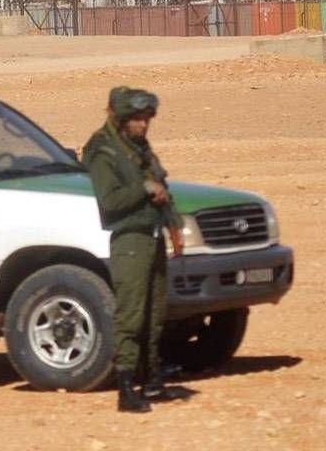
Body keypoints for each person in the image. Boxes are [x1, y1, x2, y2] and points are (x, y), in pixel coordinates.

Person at [83, 86, 185, 413]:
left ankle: (153, 380)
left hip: (152, 235)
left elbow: (160, 184)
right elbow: (110, 200)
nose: (143, 125)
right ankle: (126, 388)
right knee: (131, 314)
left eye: (146, 119)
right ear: (120, 117)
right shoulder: (103, 150)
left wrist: (174, 226)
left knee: (155, 314)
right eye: (137, 119)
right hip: (129, 240)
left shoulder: (138, 146)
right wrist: (143, 188)